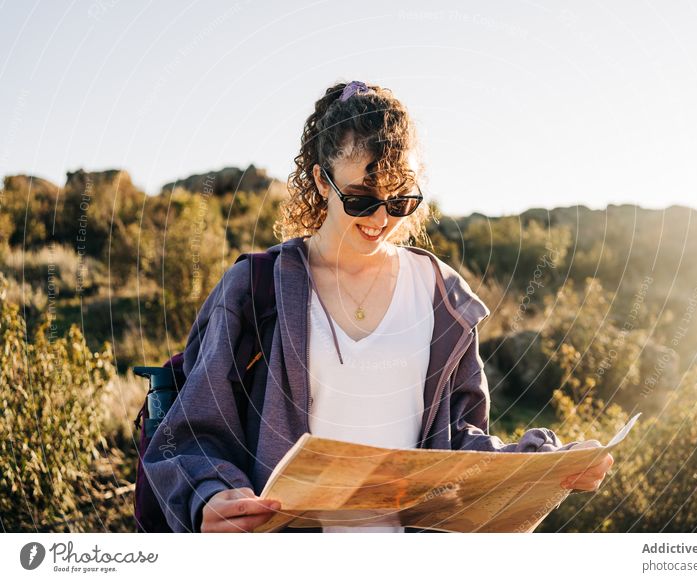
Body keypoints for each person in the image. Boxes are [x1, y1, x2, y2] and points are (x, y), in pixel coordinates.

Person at [143, 80, 613, 533]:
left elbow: (459, 443)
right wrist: (210, 494)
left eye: (401, 199)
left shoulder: (440, 294)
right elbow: (191, 431)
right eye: (362, 199)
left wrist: (543, 466)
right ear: (321, 183)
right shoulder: (254, 288)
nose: (382, 219)